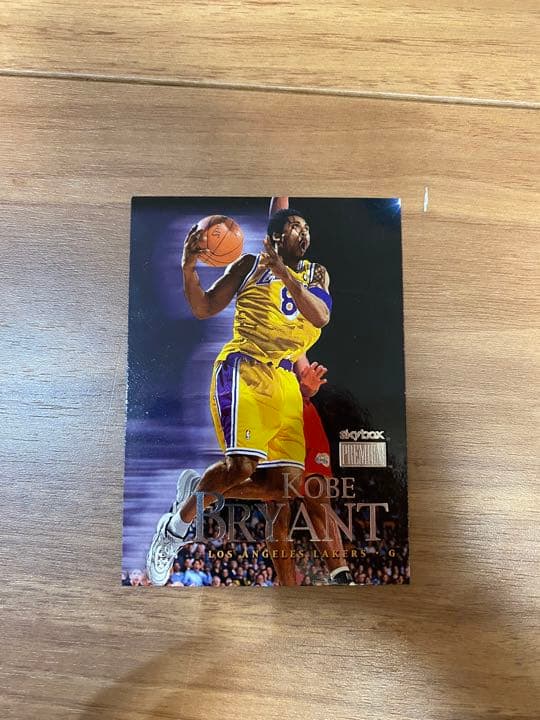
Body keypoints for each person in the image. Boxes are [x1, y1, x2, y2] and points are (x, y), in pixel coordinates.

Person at [146, 197, 332, 585]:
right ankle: (174, 531)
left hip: (285, 382)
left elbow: (320, 316)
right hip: (245, 368)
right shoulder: (249, 265)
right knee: (241, 467)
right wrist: (188, 266)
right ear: (275, 236)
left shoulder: (317, 274)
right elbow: (203, 307)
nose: (304, 232)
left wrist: (284, 274)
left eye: (307, 228)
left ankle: (196, 491)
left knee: (284, 487)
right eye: (295, 227)